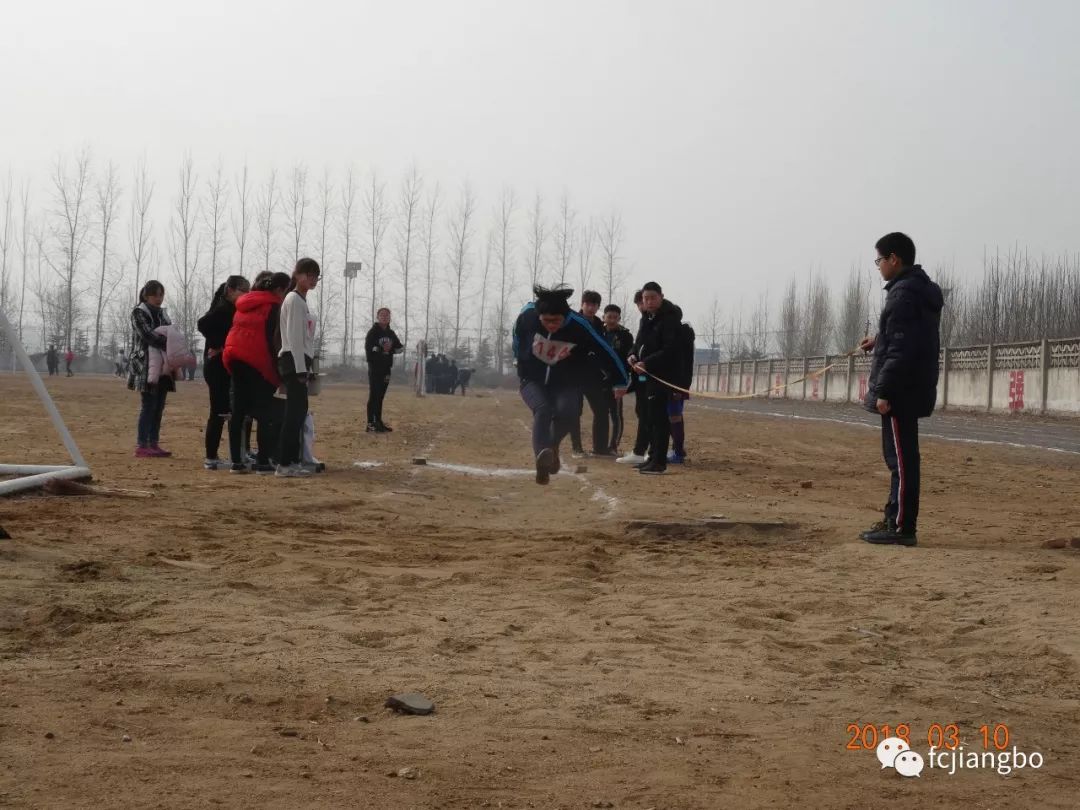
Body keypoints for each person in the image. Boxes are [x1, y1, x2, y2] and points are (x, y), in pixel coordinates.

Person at [860, 233, 943, 547]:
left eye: (879, 260)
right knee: (901, 459)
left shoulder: (903, 294)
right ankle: (894, 518)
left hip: (901, 391)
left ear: (894, 259)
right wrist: (879, 340)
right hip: (910, 387)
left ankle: (902, 527)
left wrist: (884, 391)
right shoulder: (916, 291)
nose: (878, 266)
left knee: (902, 461)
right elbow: (907, 339)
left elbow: (902, 350)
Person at [513, 285, 629, 485]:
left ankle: (552, 447)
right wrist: (520, 358)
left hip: (566, 381)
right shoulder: (527, 316)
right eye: (546, 321)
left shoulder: (580, 325)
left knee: (570, 413)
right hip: (532, 379)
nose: (551, 325)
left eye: (556, 321)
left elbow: (605, 351)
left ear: (565, 316)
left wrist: (621, 380)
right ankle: (542, 457)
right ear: (538, 316)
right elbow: (517, 338)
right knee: (543, 410)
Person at [223, 272, 290, 474]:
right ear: (279, 290)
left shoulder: (243, 304)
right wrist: (279, 370)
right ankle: (262, 461)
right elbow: (273, 340)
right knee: (265, 413)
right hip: (257, 359)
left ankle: (236, 461)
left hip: (235, 357)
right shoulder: (274, 306)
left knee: (238, 412)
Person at [629, 281, 684, 475]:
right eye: (646, 298)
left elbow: (669, 350)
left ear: (661, 296)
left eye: (653, 297)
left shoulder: (669, 319)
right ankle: (652, 457)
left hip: (662, 376)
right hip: (646, 376)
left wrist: (647, 363)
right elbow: (639, 343)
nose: (649, 301)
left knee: (660, 419)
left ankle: (660, 461)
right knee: (650, 417)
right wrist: (633, 355)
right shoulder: (647, 318)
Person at [198, 274, 250, 470]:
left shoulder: (233, 309)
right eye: (242, 291)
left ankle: (235, 453)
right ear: (230, 291)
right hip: (216, 367)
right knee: (218, 412)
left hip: (226, 366)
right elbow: (202, 324)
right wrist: (220, 345)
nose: (246, 294)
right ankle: (211, 457)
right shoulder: (222, 309)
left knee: (230, 410)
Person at [276, 258, 320, 477]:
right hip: (293, 361)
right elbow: (294, 338)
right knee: (293, 414)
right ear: (297, 274)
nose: (311, 280)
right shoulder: (294, 299)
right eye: (308, 275)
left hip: (298, 361)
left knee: (298, 413)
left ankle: (291, 460)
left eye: (315, 276)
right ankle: (285, 463)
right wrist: (301, 369)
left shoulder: (300, 301)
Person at [128, 280, 175, 458]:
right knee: (148, 405)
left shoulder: (164, 314)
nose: (159, 298)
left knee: (159, 406)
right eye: (155, 294)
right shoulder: (138, 312)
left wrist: (170, 340)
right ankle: (142, 445)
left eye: (161, 294)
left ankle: (153, 443)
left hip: (163, 365)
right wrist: (169, 342)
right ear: (146, 295)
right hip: (146, 365)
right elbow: (147, 335)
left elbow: (172, 332)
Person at [567, 290, 612, 458]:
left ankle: (600, 447)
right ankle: (576, 447)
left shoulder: (599, 325)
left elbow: (603, 348)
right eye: (588, 304)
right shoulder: (572, 321)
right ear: (582, 304)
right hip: (574, 374)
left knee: (601, 410)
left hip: (594, 376)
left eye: (595, 305)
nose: (591, 307)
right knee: (574, 411)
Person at [616, 290, 651, 465]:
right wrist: (632, 356)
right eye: (639, 303)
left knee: (649, 414)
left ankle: (646, 451)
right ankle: (642, 450)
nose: (641, 307)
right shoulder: (645, 321)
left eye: (643, 302)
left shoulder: (657, 322)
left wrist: (645, 362)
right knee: (642, 412)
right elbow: (637, 346)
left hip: (651, 376)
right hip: (640, 376)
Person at [602, 304, 635, 455]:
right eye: (609, 317)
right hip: (600, 378)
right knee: (600, 413)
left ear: (619, 318)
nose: (612, 320)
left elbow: (628, 356)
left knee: (616, 414)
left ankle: (613, 446)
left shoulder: (626, 336)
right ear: (604, 317)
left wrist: (625, 377)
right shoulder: (598, 332)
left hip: (618, 380)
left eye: (615, 317)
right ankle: (600, 446)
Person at [364, 307, 403, 432]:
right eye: (382, 315)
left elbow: (400, 348)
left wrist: (390, 350)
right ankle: (371, 423)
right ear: (377, 317)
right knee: (374, 395)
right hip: (375, 368)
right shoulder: (373, 332)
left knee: (380, 396)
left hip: (386, 368)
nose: (384, 317)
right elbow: (369, 350)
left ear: (390, 318)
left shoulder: (391, 334)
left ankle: (378, 422)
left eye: (387, 315)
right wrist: (381, 350)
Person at [667, 320, 697, 464]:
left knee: (674, 417)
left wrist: (678, 387)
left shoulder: (679, 336)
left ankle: (678, 452)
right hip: (677, 384)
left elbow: (682, 364)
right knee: (673, 417)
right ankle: (677, 450)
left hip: (675, 385)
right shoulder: (680, 335)